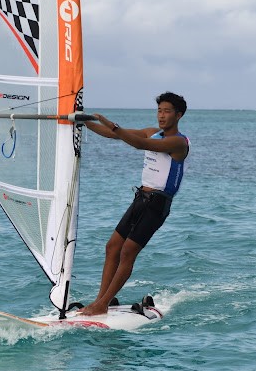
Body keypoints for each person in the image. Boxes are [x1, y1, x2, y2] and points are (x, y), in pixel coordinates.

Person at [79, 92, 189, 316]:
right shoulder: (153, 132)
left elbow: (139, 143)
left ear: (179, 115)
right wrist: (83, 121)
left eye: (167, 111)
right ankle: (102, 301)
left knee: (128, 252)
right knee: (112, 247)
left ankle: (102, 304)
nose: (161, 115)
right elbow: (114, 134)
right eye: (159, 110)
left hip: (158, 204)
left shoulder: (178, 143)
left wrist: (114, 125)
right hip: (140, 199)